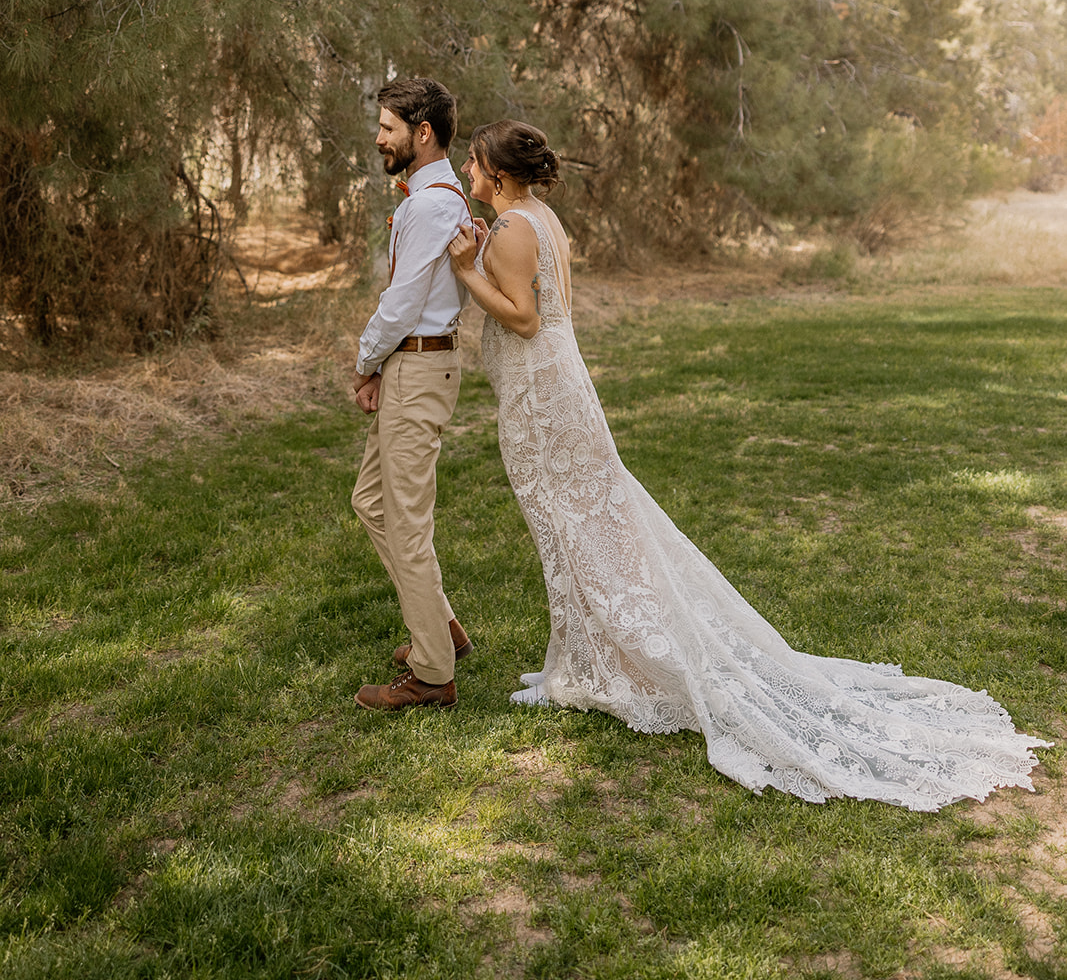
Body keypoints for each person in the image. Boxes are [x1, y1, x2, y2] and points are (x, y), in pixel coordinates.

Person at [447, 119, 1048, 809]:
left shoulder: (518, 228)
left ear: (495, 170)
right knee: (575, 526)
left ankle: (594, 670)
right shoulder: (535, 218)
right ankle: (578, 664)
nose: (467, 169)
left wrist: (467, 270)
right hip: (550, 385)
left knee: (574, 526)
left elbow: (524, 318)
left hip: (542, 394)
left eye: (472, 161)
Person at [350, 77, 475, 712]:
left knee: (406, 524)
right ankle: (443, 627)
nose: (379, 138)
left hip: (417, 368)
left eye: (387, 127)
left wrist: (363, 360)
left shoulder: (428, 206)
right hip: (410, 366)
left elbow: (400, 305)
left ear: (421, 133)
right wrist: (379, 367)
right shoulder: (429, 199)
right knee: (372, 501)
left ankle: (432, 672)